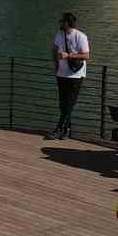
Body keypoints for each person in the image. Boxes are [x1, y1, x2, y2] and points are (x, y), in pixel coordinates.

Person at [48, 12, 89, 140]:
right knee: (63, 103)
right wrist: (55, 64)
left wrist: (68, 55)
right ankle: (67, 130)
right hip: (61, 73)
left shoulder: (80, 36)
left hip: (75, 75)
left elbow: (86, 55)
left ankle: (59, 129)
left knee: (69, 103)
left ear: (67, 23)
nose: (60, 23)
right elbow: (54, 49)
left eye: (62, 21)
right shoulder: (59, 34)